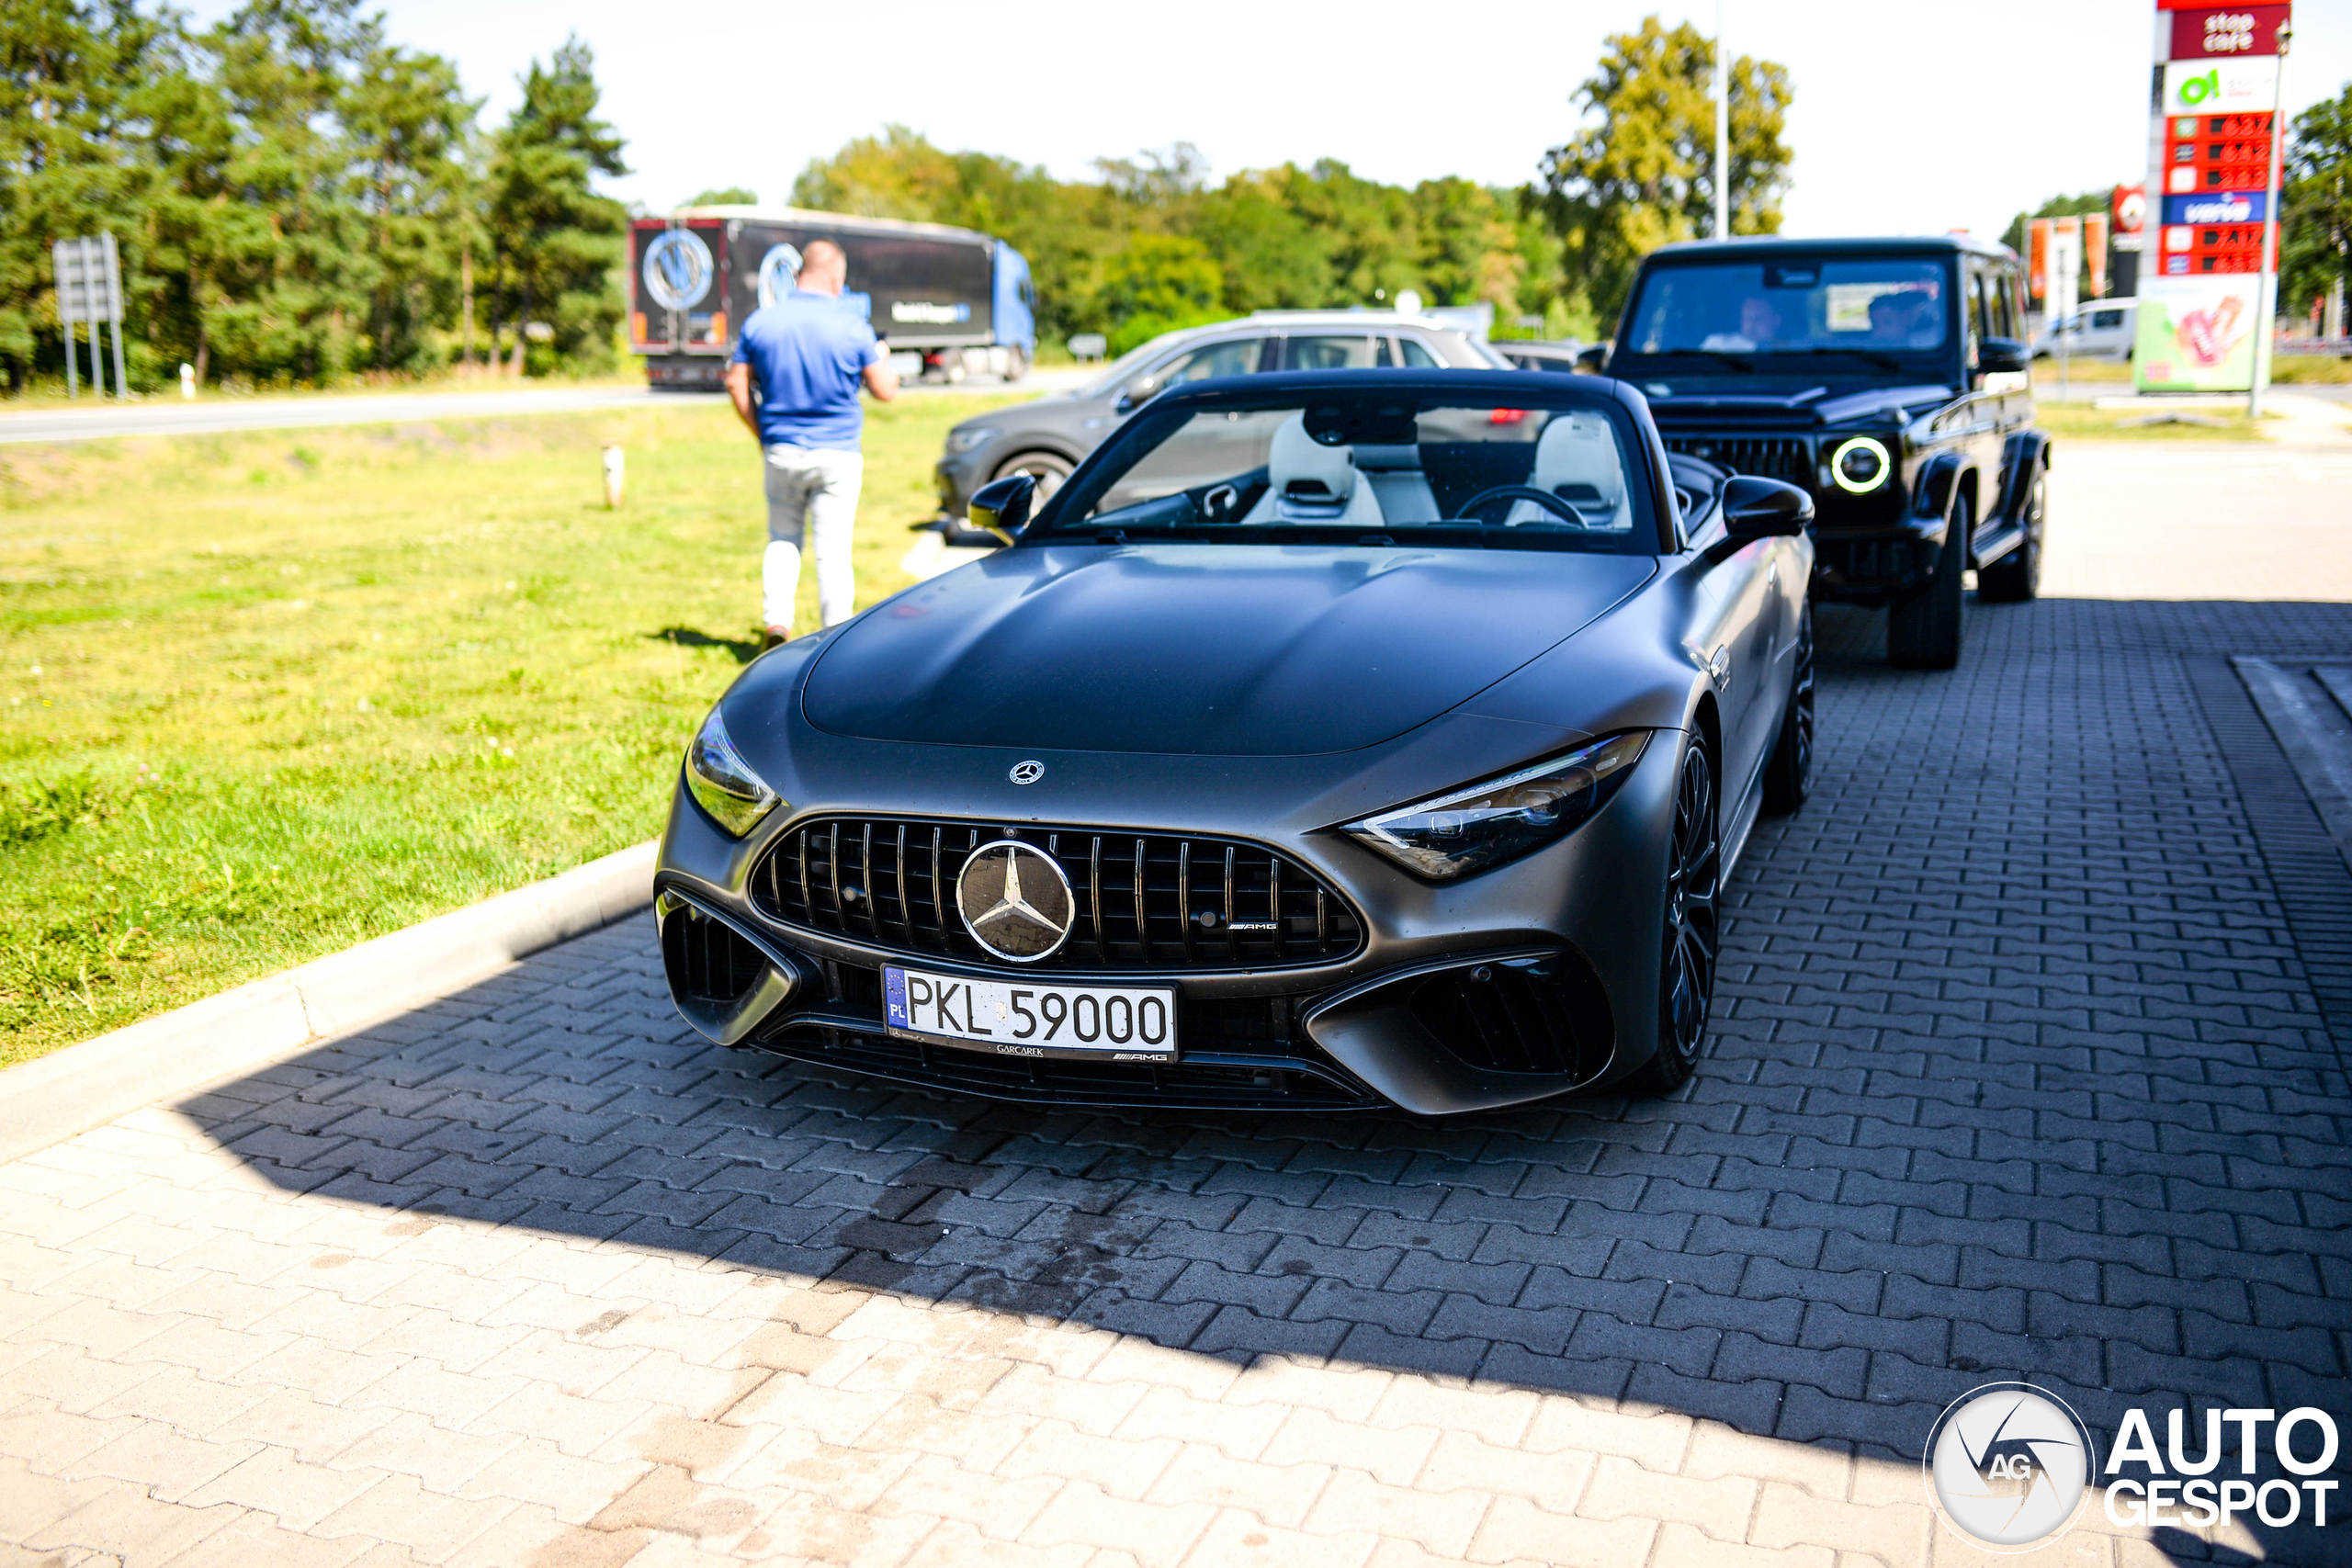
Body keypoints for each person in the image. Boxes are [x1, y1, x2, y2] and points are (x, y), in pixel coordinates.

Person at [725, 239, 899, 648]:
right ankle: (833, 639)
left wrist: (762, 433)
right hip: (837, 453)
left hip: (781, 450)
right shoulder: (853, 326)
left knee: (783, 538)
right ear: (836, 278)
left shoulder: (761, 322)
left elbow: (736, 383)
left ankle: (776, 624)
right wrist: (882, 356)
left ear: (801, 273)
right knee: (832, 553)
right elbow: (885, 390)